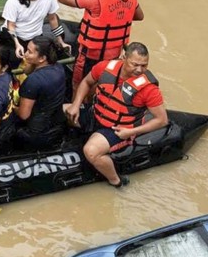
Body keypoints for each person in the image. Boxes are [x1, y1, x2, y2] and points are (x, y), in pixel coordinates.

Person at [64, 42, 168, 188]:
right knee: (63, 109)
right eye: (135, 64)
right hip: (95, 114)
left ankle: (116, 181)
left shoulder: (149, 89)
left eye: (144, 65)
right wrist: (75, 104)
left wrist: (131, 132)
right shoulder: (105, 67)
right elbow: (87, 82)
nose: (139, 70)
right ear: (124, 58)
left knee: (91, 151)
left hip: (118, 129)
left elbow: (162, 120)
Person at [58, 0, 144, 91]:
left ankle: (77, 103)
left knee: (78, 84)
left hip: (89, 56)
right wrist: (117, 15)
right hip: (113, 56)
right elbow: (139, 16)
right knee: (100, 84)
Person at [15, 37, 67, 151]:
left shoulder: (33, 81)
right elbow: (27, 71)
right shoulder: (59, 67)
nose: (25, 54)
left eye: (29, 52)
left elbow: (23, 115)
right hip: (57, 127)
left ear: (42, 58)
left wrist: (12, 106)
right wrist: (31, 60)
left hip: (35, 134)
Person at [2, 0, 69, 58]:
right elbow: (11, 26)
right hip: (14, 36)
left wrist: (61, 41)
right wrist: (17, 44)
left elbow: (52, 19)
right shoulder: (14, 0)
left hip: (35, 36)